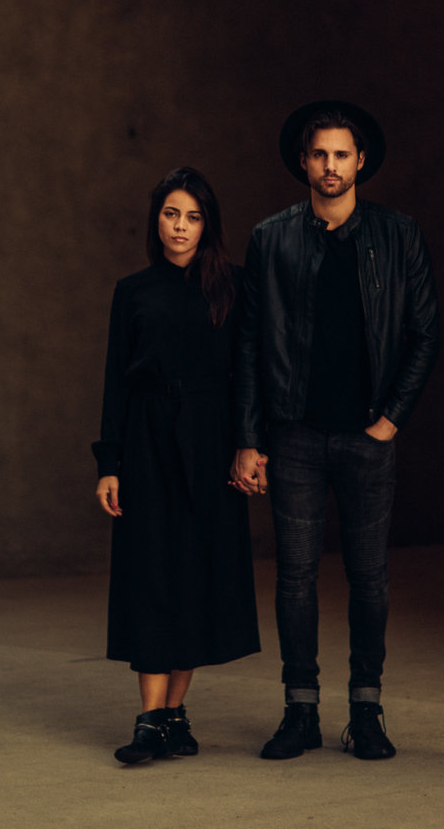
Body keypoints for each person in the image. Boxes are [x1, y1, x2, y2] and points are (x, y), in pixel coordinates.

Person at [232, 100, 439, 762]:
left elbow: (425, 333)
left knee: (369, 578)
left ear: (361, 161)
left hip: (365, 438)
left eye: (341, 155)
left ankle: (367, 712)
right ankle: (299, 713)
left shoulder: (398, 234)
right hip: (293, 435)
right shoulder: (271, 238)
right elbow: (248, 343)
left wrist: (390, 419)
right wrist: (249, 437)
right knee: (294, 579)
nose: (329, 166)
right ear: (303, 160)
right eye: (319, 154)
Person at [94, 166, 260, 765]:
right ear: (155, 221)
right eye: (170, 214)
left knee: (198, 578)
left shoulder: (233, 286)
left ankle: (172, 717)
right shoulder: (132, 291)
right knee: (150, 576)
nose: (180, 227)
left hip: (211, 442)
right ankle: (151, 720)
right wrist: (109, 462)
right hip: (145, 443)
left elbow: (249, 375)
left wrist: (248, 444)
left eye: (192, 216)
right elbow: (116, 381)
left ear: (207, 224)